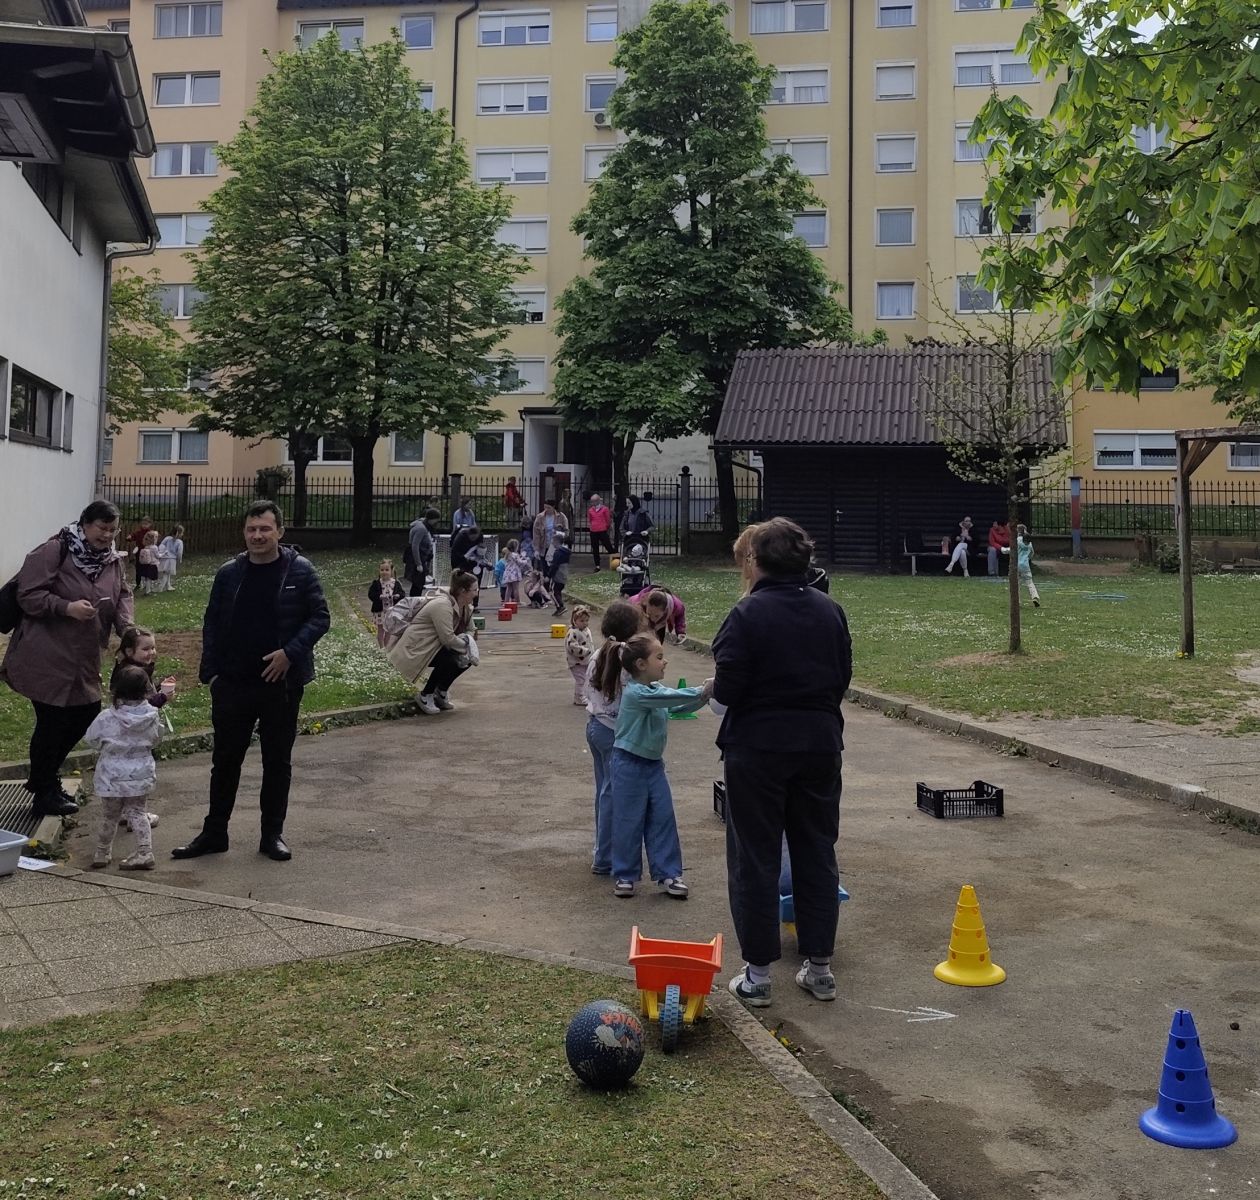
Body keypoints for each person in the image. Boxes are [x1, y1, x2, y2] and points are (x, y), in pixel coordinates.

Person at [715, 517, 852, 1009]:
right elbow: (841, 677)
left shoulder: (746, 614)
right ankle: (820, 969)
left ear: (756, 560)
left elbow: (727, 691)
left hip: (758, 749)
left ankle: (757, 976)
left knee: (755, 857)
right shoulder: (831, 611)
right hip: (819, 745)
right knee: (817, 850)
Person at [172, 501, 330, 863]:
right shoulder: (229, 573)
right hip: (233, 683)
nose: (257, 536)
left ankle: (272, 835)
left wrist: (290, 653)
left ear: (280, 532)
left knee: (277, 762)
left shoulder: (300, 570)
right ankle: (215, 833)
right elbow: (212, 623)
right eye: (251, 529)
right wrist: (212, 674)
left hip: (281, 685)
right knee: (225, 761)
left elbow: (320, 617)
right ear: (244, 532)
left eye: (265, 529)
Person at [0, 500, 134, 817]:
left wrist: (127, 628)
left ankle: (43, 779)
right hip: (45, 653)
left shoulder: (112, 560)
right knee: (52, 722)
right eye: (102, 528)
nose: (107, 535)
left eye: (113, 530)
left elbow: (122, 594)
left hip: (84, 656)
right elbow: (28, 595)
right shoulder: (54, 550)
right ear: (85, 524)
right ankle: (44, 792)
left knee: (86, 713)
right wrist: (66, 607)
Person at [603, 633, 711, 899]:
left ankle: (669, 873)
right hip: (628, 764)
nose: (665, 662)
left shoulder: (654, 690)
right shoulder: (636, 693)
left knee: (663, 818)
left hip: (653, 765)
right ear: (641, 664)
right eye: (659, 657)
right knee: (628, 820)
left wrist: (704, 697)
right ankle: (625, 875)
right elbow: (670, 699)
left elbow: (677, 706)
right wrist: (702, 690)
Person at [584, 602, 647, 876]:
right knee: (614, 795)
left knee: (604, 791)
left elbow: (588, 691)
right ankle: (605, 857)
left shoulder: (599, 654)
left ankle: (602, 849)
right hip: (615, 732)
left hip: (596, 726)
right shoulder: (627, 660)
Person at [85, 664, 162, 871]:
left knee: (110, 816)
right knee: (138, 812)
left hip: (111, 776)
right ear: (147, 689)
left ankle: (102, 852)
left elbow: (91, 739)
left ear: (116, 690)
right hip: (141, 774)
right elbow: (156, 740)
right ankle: (145, 852)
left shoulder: (106, 717)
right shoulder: (152, 716)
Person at [387, 569, 479, 715]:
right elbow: (447, 638)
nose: (477, 593)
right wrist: (468, 646)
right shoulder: (442, 605)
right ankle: (426, 695)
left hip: (433, 647)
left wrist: (468, 641)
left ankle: (440, 692)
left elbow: (471, 629)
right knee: (451, 659)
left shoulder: (465, 607)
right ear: (463, 591)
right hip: (417, 648)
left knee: (465, 659)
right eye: (474, 590)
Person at [368, 559, 406, 648]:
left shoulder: (395, 583)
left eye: (386, 570)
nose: (384, 572)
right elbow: (371, 594)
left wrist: (397, 596)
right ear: (379, 571)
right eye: (382, 570)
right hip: (380, 611)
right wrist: (379, 596)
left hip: (391, 611)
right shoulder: (376, 583)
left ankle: (386, 646)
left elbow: (402, 594)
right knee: (380, 629)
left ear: (391, 571)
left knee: (388, 630)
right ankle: (381, 647)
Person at [1003, 524, 1041, 608]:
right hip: (1025, 565)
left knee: (1016, 583)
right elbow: (1032, 553)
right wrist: (1027, 558)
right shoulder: (1029, 543)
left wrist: (1002, 549)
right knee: (1029, 582)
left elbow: (1011, 549)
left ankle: (1017, 601)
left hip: (1016, 565)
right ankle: (1035, 597)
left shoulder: (1017, 540)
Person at [406, 508, 441, 597]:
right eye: (436, 520)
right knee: (418, 583)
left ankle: (416, 599)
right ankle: (414, 600)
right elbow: (415, 546)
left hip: (422, 557)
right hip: (417, 558)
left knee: (419, 583)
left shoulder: (423, 525)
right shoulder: (421, 529)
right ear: (432, 519)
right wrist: (419, 564)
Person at [565, 605, 595, 705]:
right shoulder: (573, 632)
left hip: (586, 660)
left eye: (586, 620)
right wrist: (586, 651)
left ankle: (584, 695)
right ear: (574, 620)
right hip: (576, 662)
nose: (585, 623)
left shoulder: (586, 630)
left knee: (587, 679)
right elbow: (573, 647)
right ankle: (579, 697)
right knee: (581, 680)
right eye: (582, 621)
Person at [531, 501, 568, 568]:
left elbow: (566, 531)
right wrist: (536, 549)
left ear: (553, 507)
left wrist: (560, 534)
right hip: (544, 546)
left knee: (555, 567)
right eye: (545, 507)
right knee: (545, 567)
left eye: (548, 508)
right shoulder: (540, 517)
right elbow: (536, 534)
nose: (546, 509)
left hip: (556, 546)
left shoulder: (561, 516)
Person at [545, 531, 571, 615]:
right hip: (564, 574)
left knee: (553, 591)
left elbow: (554, 565)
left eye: (553, 541)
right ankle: (559, 607)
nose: (552, 543)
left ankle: (560, 606)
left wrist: (549, 576)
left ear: (557, 541)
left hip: (558, 575)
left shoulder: (558, 552)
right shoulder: (565, 552)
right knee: (558, 590)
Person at [587, 494, 615, 571]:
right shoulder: (590, 510)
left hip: (602, 530)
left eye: (594, 501)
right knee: (595, 549)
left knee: (608, 546)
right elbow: (590, 519)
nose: (592, 503)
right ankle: (597, 565)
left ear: (598, 501)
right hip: (593, 531)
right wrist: (591, 526)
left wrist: (606, 527)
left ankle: (615, 561)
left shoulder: (605, 509)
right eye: (592, 501)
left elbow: (608, 520)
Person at [125, 515, 153, 588]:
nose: (144, 525)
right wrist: (130, 537)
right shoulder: (138, 532)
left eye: (146, 524)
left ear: (150, 524)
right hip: (139, 552)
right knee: (138, 567)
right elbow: (133, 536)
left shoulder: (150, 533)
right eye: (143, 524)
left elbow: (155, 539)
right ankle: (138, 583)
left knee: (147, 567)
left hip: (148, 552)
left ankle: (147, 583)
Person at [156, 525, 185, 592]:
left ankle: (168, 586)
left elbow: (161, 546)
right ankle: (161, 587)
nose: (182, 534)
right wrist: (179, 560)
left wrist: (161, 554)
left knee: (167, 573)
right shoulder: (180, 542)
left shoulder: (167, 538)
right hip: (171, 560)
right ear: (179, 533)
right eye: (182, 533)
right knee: (166, 574)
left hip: (164, 558)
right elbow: (179, 553)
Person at [501, 538, 528, 604]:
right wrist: (526, 560)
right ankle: (518, 601)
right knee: (515, 588)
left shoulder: (507, 554)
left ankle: (506, 601)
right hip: (514, 573)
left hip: (508, 573)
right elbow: (520, 562)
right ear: (515, 547)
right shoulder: (515, 555)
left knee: (509, 588)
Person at [137, 530, 161, 596]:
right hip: (153, 564)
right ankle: (148, 591)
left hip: (146, 564)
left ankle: (148, 589)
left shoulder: (146, 546)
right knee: (150, 579)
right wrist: (163, 554)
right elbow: (157, 556)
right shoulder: (154, 547)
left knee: (147, 578)